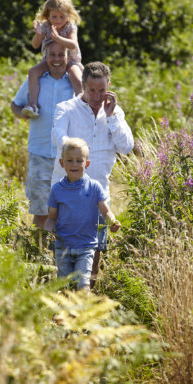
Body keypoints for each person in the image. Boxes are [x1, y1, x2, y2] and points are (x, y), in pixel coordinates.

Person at [51, 61, 134, 287]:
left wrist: (111, 117)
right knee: (65, 262)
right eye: (91, 90)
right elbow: (58, 136)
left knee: (92, 261)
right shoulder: (66, 109)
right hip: (67, 194)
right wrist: (76, 152)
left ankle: (85, 312)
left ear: (109, 87)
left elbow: (126, 147)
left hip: (98, 195)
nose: (97, 96)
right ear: (83, 87)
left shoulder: (115, 113)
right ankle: (65, 308)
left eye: (101, 90)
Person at [11, 41, 74, 232]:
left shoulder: (74, 83)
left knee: (67, 209)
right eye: (52, 55)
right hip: (39, 152)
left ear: (68, 57)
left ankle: (61, 254)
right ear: (45, 56)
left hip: (67, 156)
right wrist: (25, 113)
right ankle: (39, 250)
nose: (56, 59)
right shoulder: (36, 80)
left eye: (60, 55)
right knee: (40, 208)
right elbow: (15, 104)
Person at [45, 137, 120, 290]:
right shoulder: (57, 190)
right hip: (63, 246)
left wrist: (113, 221)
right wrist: (46, 231)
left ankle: (82, 313)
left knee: (83, 284)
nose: (74, 164)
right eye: (70, 160)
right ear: (62, 163)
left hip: (86, 246)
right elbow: (52, 218)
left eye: (79, 161)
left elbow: (105, 211)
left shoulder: (94, 187)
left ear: (87, 164)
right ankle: (65, 314)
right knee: (63, 287)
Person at [22, 0, 83, 119]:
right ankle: (33, 105)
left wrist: (58, 38)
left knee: (77, 77)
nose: (58, 20)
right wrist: (38, 34)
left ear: (69, 15)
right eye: (54, 16)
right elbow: (35, 45)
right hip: (49, 60)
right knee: (33, 72)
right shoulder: (45, 26)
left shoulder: (70, 26)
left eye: (62, 16)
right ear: (48, 16)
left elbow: (72, 45)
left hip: (71, 60)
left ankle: (82, 105)